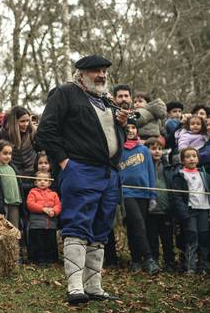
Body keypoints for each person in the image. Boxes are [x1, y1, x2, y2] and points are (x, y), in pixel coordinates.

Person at [35, 55, 126, 304]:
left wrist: (121, 126)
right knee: (77, 226)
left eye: (104, 71)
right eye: (96, 71)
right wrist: (65, 162)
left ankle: (93, 286)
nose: (101, 75)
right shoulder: (65, 93)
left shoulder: (106, 100)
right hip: (80, 170)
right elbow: (45, 131)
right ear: (82, 73)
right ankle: (75, 287)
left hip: (108, 173)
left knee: (100, 230)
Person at [118, 119, 159, 274]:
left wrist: (153, 195)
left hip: (144, 193)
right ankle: (148, 259)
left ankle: (135, 260)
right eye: (127, 127)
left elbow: (151, 173)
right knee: (138, 223)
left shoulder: (144, 150)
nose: (131, 130)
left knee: (136, 227)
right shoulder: (119, 150)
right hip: (127, 193)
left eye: (133, 127)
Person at [170, 148, 210, 275]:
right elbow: (176, 196)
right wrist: (184, 213)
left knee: (204, 237)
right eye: (188, 157)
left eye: (194, 156)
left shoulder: (203, 174)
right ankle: (190, 267)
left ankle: (203, 266)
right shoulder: (180, 175)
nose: (192, 159)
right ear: (183, 160)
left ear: (198, 159)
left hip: (204, 209)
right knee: (192, 237)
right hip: (190, 211)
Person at [144, 138, 175, 272]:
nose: (157, 151)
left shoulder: (167, 167)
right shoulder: (144, 167)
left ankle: (169, 262)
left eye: (159, 149)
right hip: (150, 210)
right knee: (152, 237)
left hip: (165, 209)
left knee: (167, 238)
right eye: (153, 148)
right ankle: (154, 260)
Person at [26, 171, 61, 264]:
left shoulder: (53, 194)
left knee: (50, 242)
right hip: (37, 224)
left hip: (50, 224)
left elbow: (58, 205)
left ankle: (51, 259)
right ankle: (38, 259)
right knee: (38, 243)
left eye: (45, 180)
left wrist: (54, 211)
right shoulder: (33, 192)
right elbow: (30, 204)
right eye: (39, 180)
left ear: (49, 183)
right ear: (35, 182)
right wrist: (43, 209)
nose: (42, 182)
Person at [0, 140, 23, 224]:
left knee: (14, 228)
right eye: (5, 153)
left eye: (10, 154)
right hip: (2, 205)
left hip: (15, 204)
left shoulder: (13, 168)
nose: (8, 156)